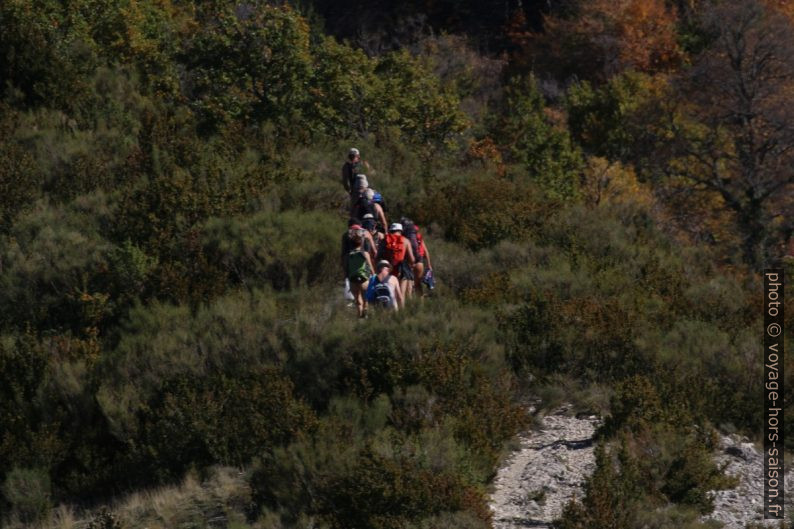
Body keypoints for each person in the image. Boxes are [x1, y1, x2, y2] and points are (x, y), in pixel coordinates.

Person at [380, 223, 415, 301]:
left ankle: (390, 310)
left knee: (390, 293)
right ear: (401, 230)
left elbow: (378, 256)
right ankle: (401, 312)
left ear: (391, 230)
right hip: (402, 269)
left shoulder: (385, 240)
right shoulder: (406, 240)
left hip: (389, 269)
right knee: (401, 294)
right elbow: (412, 259)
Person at [401, 218, 433, 297]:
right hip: (419, 261)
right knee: (418, 285)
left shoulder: (402, 237)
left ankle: (409, 305)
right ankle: (421, 306)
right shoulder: (418, 237)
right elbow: (425, 251)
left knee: (409, 283)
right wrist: (429, 265)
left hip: (408, 262)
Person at [347, 232, 374, 318]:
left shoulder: (349, 255)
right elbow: (370, 266)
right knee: (366, 299)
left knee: (358, 300)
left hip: (352, 279)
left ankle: (359, 317)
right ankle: (365, 314)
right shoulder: (365, 253)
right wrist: (374, 275)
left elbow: (346, 267)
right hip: (364, 279)